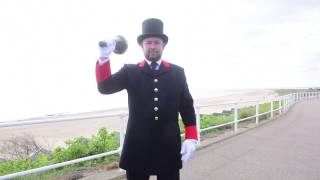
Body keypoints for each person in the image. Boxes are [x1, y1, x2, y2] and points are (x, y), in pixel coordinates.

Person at [95, 18, 198, 180]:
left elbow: (186, 106)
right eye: (148, 42)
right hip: (137, 146)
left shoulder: (177, 73)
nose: (152, 46)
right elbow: (105, 87)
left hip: (168, 145)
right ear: (142, 45)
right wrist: (104, 59)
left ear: (163, 45)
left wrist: (191, 136)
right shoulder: (130, 71)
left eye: (156, 42)